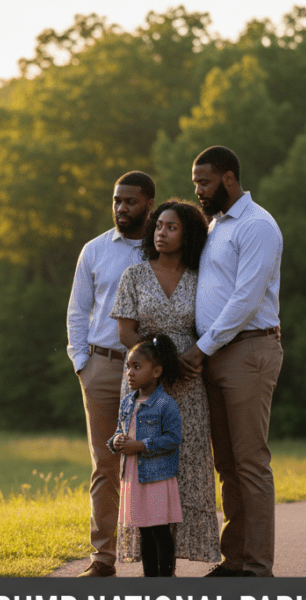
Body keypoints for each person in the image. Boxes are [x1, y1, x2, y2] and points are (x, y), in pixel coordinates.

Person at [180, 146, 283, 578]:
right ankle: (234, 559)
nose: (198, 192)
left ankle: (257, 567)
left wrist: (201, 349)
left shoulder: (257, 225)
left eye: (203, 182)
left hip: (248, 349)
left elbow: (245, 299)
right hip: (217, 354)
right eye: (195, 184)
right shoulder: (216, 226)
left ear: (227, 178)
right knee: (227, 463)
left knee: (250, 461)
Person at [110, 200, 221, 568]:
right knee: (147, 468)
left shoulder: (201, 276)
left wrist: (185, 365)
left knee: (184, 467)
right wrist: (159, 367)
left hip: (189, 384)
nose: (161, 232)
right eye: (158, 226)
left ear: (187, 233)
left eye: (171, 227)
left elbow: (208, 327)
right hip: (145, 384)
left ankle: (170, 566)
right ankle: (153, 573)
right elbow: (126, 331)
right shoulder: (135, 275)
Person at [66, 170, 156, 578]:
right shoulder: (95, 250)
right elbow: (77, 310)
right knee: (105, 466)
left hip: (151, 372)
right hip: (102, 368)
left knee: (153, 462)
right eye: (117, 201)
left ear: (148, 204)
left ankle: (156, 560)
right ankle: (103, 559)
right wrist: (82, 363)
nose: (121, 208)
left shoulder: (164, 247)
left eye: (130, 201)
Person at [108, 334, 184, 577]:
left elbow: (172, 439)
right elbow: (121, 432)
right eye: (128, 367)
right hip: (134, 475)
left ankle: (165, 578)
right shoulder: (127, 402)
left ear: (156, 372)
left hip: (157, 476)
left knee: (159, 530)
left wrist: (141, 446)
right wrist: (116, 441)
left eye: (137, 367)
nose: (129, 372)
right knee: (143, 530)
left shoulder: (165, 404)